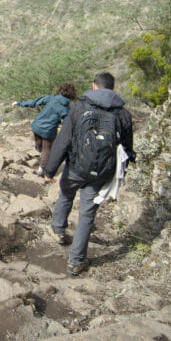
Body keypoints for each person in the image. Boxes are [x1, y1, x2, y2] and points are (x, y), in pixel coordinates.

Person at [42, 72, 135, 275]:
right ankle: (76, 261)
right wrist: (119, 178)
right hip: (101, 172)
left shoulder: (79, 107)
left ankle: (57, 229)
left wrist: (50, 169)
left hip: (75, 166)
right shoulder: (123, 114)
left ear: (94, 86)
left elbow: (64, 140)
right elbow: (127, 149)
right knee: (87, 213)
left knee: (66, 194)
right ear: (112, 89)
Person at [13, 82, 77, 173]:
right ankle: (42, 170)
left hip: (36, 126)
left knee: (40, 148)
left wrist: (19, 103)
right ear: (72, 95)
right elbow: (67, 124)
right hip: (48, 132)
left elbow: (34, 102)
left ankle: (41, 158)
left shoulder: (50, 98)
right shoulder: (66, 109)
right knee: (46, 150)